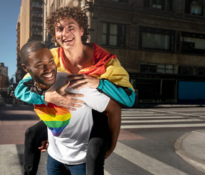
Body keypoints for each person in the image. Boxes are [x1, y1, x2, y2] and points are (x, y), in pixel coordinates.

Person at [15, 7, 135, 175]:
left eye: (71, 27)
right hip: (65, 114)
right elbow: (22, 88)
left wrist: (99, 83)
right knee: (32, 134)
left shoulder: (106, 61)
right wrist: (48, 96)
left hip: (96, 116)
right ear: (54, 35)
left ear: (82, 30)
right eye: (59, 29)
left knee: (94, 151)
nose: (65, 33)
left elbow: (128, 98)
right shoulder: (51, 57)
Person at [18, 41, 121, 175]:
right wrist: (49, 100)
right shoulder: (31, 90)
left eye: (50, 61)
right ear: (26, 69)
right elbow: (24, 95)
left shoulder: (76, 84)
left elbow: (114, 108)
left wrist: (111, 146)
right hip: (54, 158)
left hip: (81, 161)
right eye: (39, 65)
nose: (48, 69)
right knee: (31, 133)